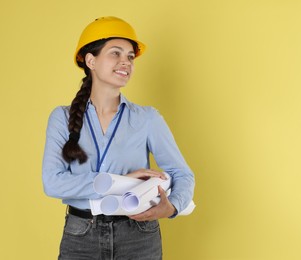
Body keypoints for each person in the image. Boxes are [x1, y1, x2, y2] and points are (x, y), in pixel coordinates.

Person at [42, 16, 195, 259]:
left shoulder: (147, 118)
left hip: (139, 235)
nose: (126, 62)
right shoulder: (62, 117)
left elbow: (183, 174)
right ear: (90, 60)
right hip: (81, 235)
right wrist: (117, 180)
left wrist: (173, 206)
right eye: (115, 53)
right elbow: (52, 182)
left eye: (130, 57)